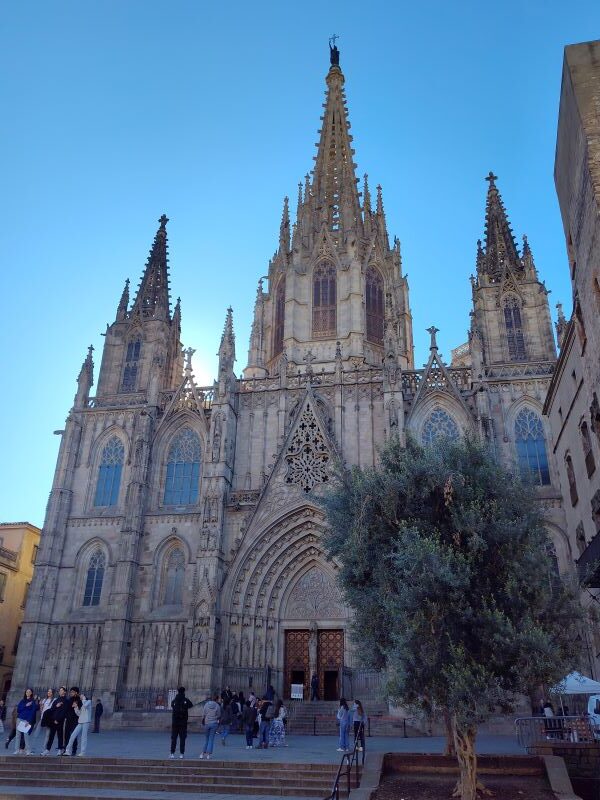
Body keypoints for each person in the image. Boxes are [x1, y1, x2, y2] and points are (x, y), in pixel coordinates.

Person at [43, 686, 68, 755]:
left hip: (60, 721)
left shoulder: (66, 701)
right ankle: (47, 750)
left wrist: (58, 719)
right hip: (53, 720)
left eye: (61, 690)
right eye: (59, 690)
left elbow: (64, 712)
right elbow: (52, 709)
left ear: (64, 692)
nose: (60, 691)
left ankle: (60, 749)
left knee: (60, 735)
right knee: (51, 735)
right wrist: (56, 706)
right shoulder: (56, 700)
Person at [169, 687, 193, 759]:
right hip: (183, 723)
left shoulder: (174, 700)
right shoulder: (186, 700)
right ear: (184, 692)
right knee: (182, 738)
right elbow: (191, 705)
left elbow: (172, 705)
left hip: (175, 722)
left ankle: (172, 753)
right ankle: (181, 754)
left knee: (174, 738)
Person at [15, 688, 37, 754]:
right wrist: (25, 705)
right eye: (27, 692)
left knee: (26, 735)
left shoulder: (33, 701)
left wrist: (29, 721)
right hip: (19, 718)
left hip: (26, 720)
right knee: (18, 735)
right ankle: (16, 750)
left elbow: (33, 712)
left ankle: (28, 750)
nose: (27, 693)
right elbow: (18, 709)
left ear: (31, 693)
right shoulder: (22, 700)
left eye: (29, 692)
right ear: (25, 693)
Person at [200, 693, 221, 759]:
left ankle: (202, 753)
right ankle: (208, 754)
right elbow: (219, 715)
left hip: (207, 723)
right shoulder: (217, 706)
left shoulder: (206, 704)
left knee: (206, 739)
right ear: (217, 699)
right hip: (214, 723)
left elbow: (203, 713)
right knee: (211, 739)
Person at [64, 688, 81, 756]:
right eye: (70, 692)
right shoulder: (69, 700)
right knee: (67, 735)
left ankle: (74, 750)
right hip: (68, 719)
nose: (71, 693)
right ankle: (66, 749)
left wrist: (76, 706)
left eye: (73, 692)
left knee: (74, 735)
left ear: (76, 692)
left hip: (75, 720)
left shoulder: (79, 700)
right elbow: (66, 709)